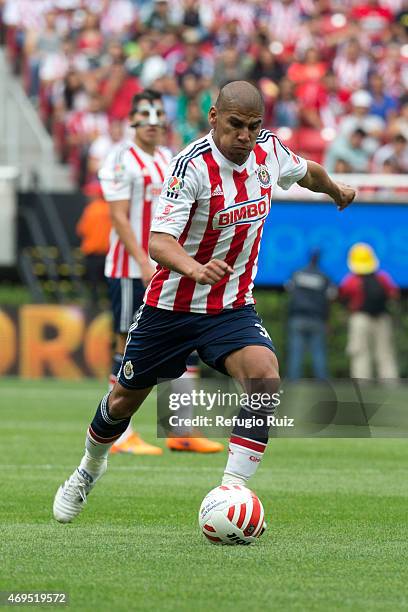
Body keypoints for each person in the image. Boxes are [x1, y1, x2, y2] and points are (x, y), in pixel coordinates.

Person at [53, 80, 355, 523]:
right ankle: (87, 470)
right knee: (121, 401)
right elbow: (159, 242)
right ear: (214, 118)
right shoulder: (189, 166)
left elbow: (306, 171)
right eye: (235, 125)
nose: (245, 137)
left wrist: (335, 190)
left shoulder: (268, 152)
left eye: (253, 127)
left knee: (265, 380)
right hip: (170, 309)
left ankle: (231, 491)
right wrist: (194, 269)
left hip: (230, 308)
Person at [98, 88, 221, 456]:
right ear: (132, 119)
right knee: (126, 342)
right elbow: (119, 215)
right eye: (145, 115)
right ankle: (121, 433)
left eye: (157, 115)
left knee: (184, 336)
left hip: (167, 264)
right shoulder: (121, 159)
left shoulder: (170, 157)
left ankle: (180, 429)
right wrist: (141, 260)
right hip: (129, 266)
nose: (152, 123)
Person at [339, 243, 399, 380]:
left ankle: (361, 384)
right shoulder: (382, 277)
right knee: (385, 353)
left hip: (359, 318)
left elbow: (342, 296)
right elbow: (393, 294)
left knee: (360, 353)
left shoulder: (351, 280)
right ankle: (390, 383)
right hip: (382, 318)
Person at [286, 250, 337, 380]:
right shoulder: (325, 277)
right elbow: (330, 299)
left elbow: (289, 292)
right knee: (319, 352)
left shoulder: (297, 274)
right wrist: (327, 321)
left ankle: (293, 382)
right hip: (317, 319)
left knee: (295, 352)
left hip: (297, 318)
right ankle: (322, 382)